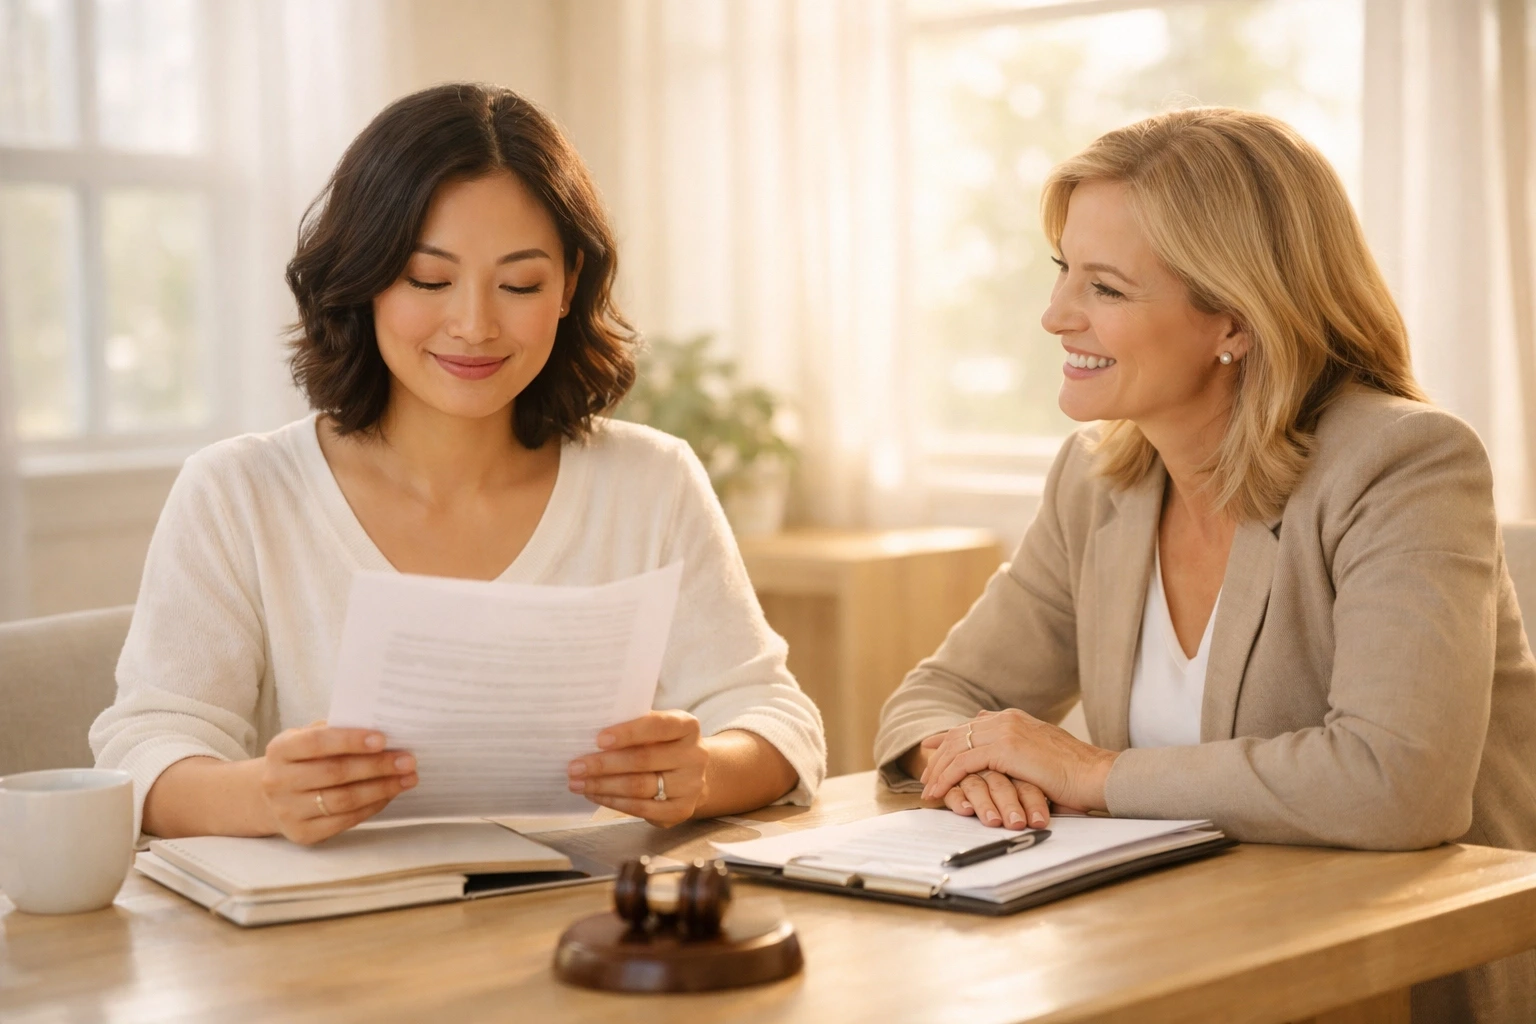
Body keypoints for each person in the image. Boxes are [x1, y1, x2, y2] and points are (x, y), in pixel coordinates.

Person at [873, 108, 1536, 1023]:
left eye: (1105, 287)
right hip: (1171, 953)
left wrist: (1092, 774)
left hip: (1383, 983)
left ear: (1236, 318)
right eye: (1063, 269)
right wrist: (974, 762)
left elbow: (1397, 783)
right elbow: (939, 694)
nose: (1055, 314)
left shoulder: (1403, 464)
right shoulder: (1097, 480)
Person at [91, 83, 825, 847]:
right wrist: (261, 797)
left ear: (569, 285)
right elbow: (142, 749)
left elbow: (776, 721)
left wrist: (700, 772)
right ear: (366, 278)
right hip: (336, 919)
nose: (474, 325)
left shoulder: (651, 483)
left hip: (583, 909)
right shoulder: (239, 493)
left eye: (519, 284)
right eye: (429, 280)